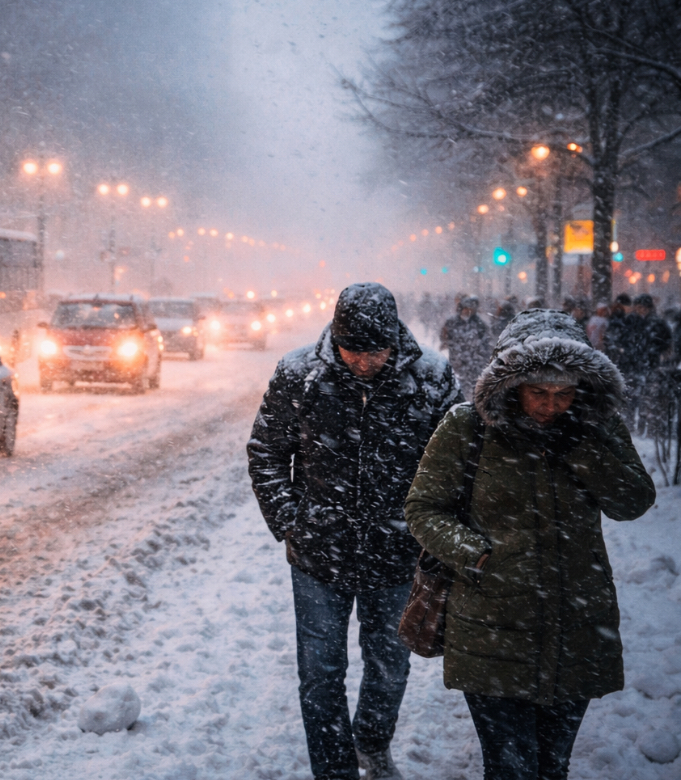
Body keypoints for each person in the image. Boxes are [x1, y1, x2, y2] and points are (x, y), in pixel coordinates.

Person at [404, 308, 654, 780]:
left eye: (564, 394)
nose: (550, 405)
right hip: (491, 627)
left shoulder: (598, 428)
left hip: (576, 626)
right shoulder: (467, 427)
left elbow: (633, 501)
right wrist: (477, 555)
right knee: (510, 769)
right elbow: (423, 508)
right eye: (538, 392)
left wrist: (581, 445)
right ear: (511, 385)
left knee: (552, 767)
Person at [247, 283, 460, 780]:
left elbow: (458, 465)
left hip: (398, 553)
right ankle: (333, 768)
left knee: (390, 666)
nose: (363, 363)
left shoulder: (431, 378)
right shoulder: (299, 374)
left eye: (375, 352)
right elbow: (266, 453)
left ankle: (372, 741)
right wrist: (292, 521)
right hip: (318, 555)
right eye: (352, 351)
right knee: (320, 673)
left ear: (394, 341)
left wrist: (433, 533)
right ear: (336, 339)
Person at [440, 295, 492, 402]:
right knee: (459, 389)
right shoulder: (451, 322)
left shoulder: (479, 323)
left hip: (476, 364)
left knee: (474, 390)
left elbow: (487, 342)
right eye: (466, 308)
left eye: (471, 309)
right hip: (458, 363)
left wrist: (483, 357)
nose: (468, 311)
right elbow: (444, 338)